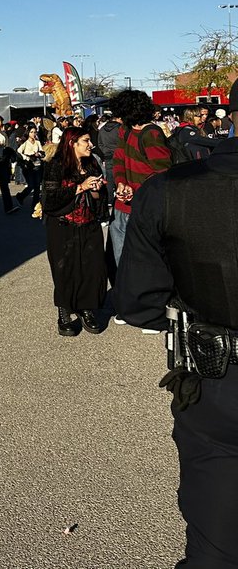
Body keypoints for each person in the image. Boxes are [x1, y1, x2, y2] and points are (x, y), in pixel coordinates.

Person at [114, 135, 238, 568]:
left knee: (218, 547)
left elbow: (138, 302)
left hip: (219, 382)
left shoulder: (170, 189)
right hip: (217, 375)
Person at [41, 126, 109, 336]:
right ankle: (64, 313)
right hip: (63, 225)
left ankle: (87, 309)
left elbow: (100, 199)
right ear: (72, 143)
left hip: (89, 223)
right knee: (65, 269)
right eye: (86, 141)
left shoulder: (92, 163)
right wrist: (80, 187)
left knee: (93, 268)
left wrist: (97, 190)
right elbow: (50, 200)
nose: (91, 145)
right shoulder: (56, 165)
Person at [110, 89, 171, 262]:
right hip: (123, 206)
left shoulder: (151, 134)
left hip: (144, 209)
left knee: (144, 262)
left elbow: (163, 175)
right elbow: (119, 158)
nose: (119, 118)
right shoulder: (126, 130)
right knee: (121, 263)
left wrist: (135, 189)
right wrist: (121, 183)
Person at [15, 124, 45, 208]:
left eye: (35, 132)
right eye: (31, 132)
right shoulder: (25, 142)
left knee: (37, 186)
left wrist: (39, 154)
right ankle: (20, 196)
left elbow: (42, 152)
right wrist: (28, 157)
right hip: (29, 167)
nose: (33, 134)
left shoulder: (38, 142)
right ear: (28, 133)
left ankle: (35, 204)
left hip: (38, 165)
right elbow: (18, 152)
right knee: (31, 185)